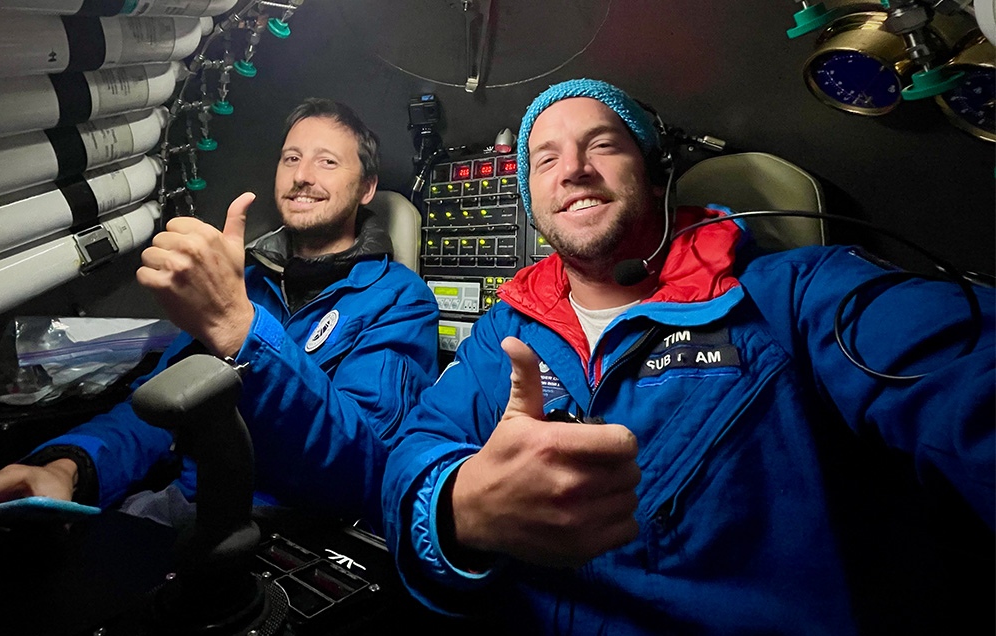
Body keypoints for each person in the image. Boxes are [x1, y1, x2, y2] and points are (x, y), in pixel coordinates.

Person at [381, 79, 995, 634]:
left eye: (602, 145)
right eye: (545, 160)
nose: (572, 170)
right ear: (532, 201)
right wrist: (460, 509)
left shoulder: (791, 295)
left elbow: (966, 374)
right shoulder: (503, 330)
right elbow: (413, 452)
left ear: (654, 172)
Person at [0, 98, 440, 538]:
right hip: (180, 509)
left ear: (367, 187)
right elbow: (161, 409)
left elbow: (363, 467)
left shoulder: (398, 299)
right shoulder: (244, 283)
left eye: (327, 162)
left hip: (284, 529)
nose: (303, 175)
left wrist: (243, 332)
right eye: (291, 158)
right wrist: (72, 467)